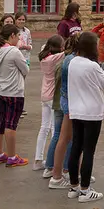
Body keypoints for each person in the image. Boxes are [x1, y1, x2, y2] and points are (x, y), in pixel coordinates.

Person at [66, 32, 104, 203]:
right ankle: (85, 190)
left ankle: (74, 186)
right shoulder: (93, 66)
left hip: (76, 109)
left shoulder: (73, 62)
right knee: (89, 150)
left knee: (76, 147)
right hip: (92, 111)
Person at [0, 24, 30, 167]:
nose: (19, 38)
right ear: (12, 35)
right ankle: (12, 156)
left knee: (0, 121)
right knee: (11, 124)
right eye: (18, 36)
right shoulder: (14, 51)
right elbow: (25, 69)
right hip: (13, 92)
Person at [47, 33, 79, 188]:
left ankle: (50, 166)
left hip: (58, 101)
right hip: (65, 103)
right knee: (67, 138)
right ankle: (65, 169)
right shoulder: (71, 62)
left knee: (58, 135)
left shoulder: (62, 61)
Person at [33, 35, 65, 171]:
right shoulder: (54, 58)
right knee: (54, 130)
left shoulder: (44, 56)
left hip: (44, 95)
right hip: (53, 96)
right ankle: (54, 161)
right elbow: (68, 52)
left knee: (44, 127)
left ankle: (38, 160)